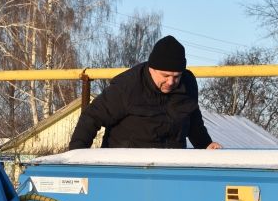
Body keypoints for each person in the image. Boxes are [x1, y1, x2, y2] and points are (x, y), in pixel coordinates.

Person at [69, 35, 223, 150]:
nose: (171, 82)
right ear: (152, 68)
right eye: (165, 76)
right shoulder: (127, 86)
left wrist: (206, 145)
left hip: (171, 167)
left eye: (176, 76)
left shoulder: (188, 84)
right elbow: (91, 117)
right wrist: (76, 157)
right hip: (126, 166)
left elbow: (194, 123)